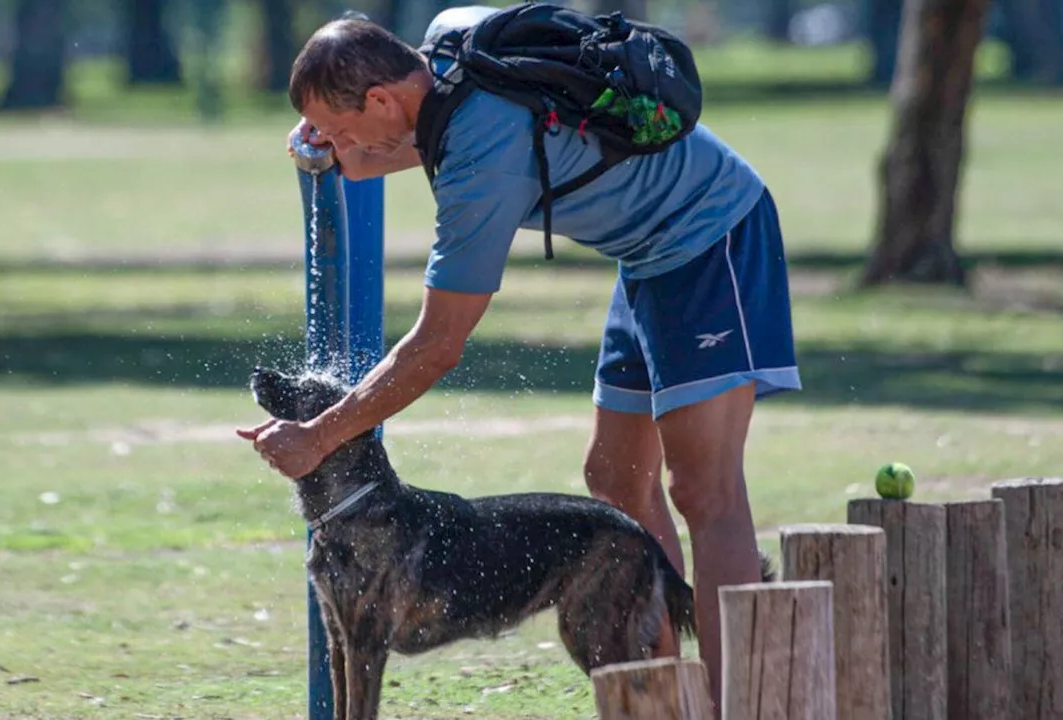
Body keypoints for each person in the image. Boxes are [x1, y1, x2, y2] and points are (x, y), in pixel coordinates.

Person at [236, 8, 801, 711]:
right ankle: (661, 697)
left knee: (704, 493)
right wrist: (350, 148)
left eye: (342, 129)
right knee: (615, 477)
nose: (336, 144)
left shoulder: (480, 163)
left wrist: (320, 436)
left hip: (712, 235)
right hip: (647, 256)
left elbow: (437, 346)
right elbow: (410, 142)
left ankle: (738, 701)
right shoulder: (446, 47)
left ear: (381, 98)